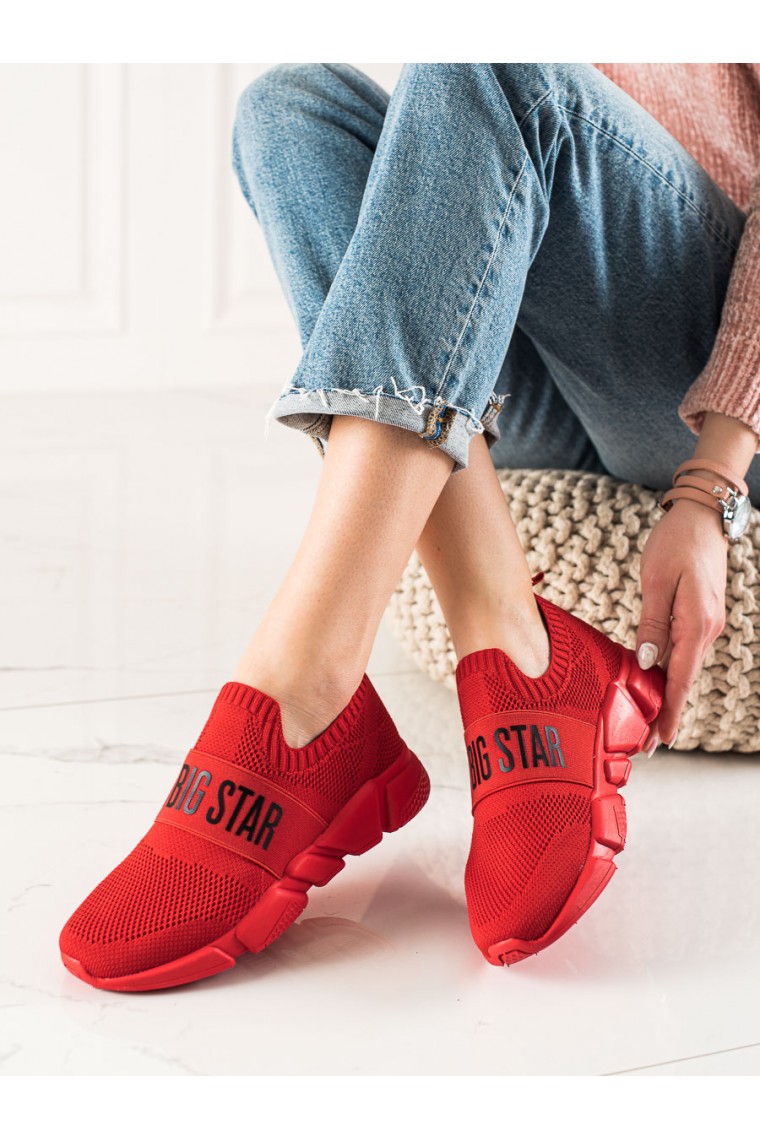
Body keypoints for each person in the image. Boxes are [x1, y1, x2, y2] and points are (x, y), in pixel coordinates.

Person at [58, 63, 759, 989]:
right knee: (291, 111)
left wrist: (711, 480)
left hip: (707, 389)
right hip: (540, 384)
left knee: (488, 57)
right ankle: (511, 645)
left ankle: (302, 689)